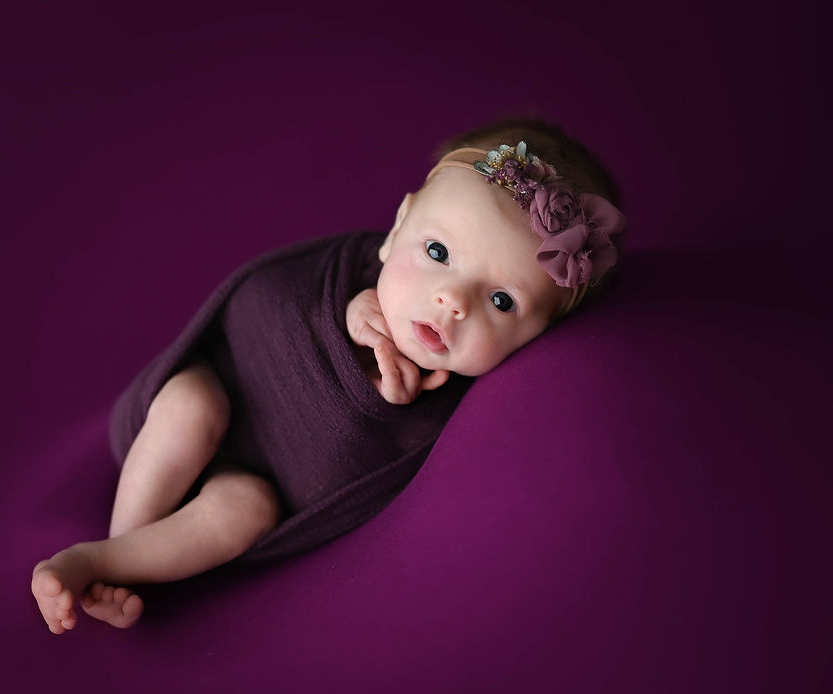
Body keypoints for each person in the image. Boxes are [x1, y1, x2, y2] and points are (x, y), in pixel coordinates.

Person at [31, 118, 626, 634]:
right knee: (190, 405)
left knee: (246, 510)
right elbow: (283, 303)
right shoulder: (353, 274)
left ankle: (117, 564)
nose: (452, 303)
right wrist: (351, 313)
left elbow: (389, 460)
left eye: (501, 301)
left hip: (260, 481)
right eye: (439, 254)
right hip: (224, 392)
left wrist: (388, 405)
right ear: (397, 230)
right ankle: (114, 547)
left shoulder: (455, 403)